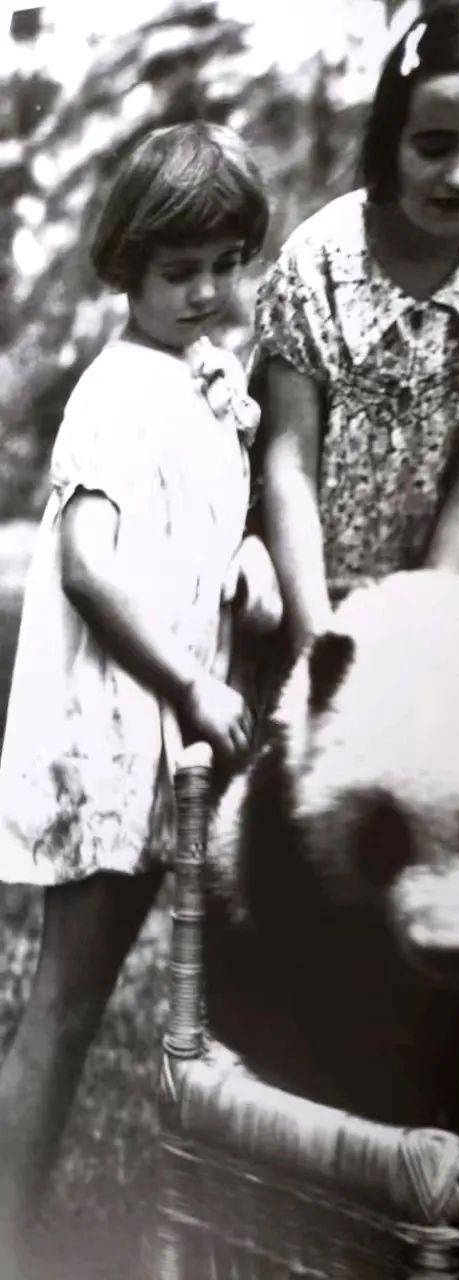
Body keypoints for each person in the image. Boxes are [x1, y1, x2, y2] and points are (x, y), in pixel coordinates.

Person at [0, 121, 280, 1271]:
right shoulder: (117, 389)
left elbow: (201, 530)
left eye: (224, 264)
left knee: (192, 996)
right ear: (127, 265)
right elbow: (90, 564)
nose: (205, 291)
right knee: (66, 1005)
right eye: (179, 271)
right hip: (113, 733)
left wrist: (251, 555)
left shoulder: (198, 381)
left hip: (167, 739)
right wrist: (195, 680)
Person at [255, 0, 459, 650]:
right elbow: (290, 467)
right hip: (314, 585)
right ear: (393, 129)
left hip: (455, 585)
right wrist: (315, 641)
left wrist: (425, 623)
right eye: (434, 145)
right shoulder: (320, 260)